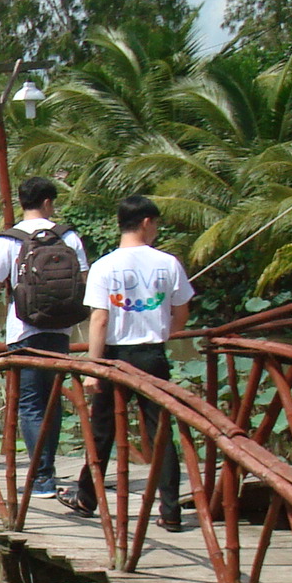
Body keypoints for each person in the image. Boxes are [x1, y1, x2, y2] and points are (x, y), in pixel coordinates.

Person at [61, 195, 193, 529]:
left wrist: (93, 367)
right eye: (156, 224)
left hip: (116, 357)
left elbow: (99, 321)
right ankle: (171, 511)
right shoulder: (168, 263)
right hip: (153, 355)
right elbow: (182, 312)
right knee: (160, 433)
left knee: (103, 430)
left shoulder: (104, 266)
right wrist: (163, 332)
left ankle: (88, 497)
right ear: (147, 222)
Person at [0, 174, 88, 497]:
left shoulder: (8, 240)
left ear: (21, 202)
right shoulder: (69, 237)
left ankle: (42, 478)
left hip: (23, 331)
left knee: (31, 405)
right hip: (60, 331)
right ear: (48, 202)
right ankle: (45, 471)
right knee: (51, 403)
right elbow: (84, 283)